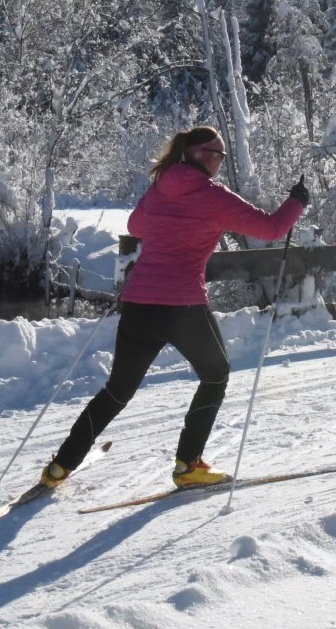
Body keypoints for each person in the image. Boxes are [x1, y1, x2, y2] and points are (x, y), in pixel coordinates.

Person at [40, 126, 308, 491]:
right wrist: (297, 202)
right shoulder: (214, 196)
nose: (220, 163)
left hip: (139, 303)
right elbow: (272, 228)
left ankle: (60, 466)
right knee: (215, 375)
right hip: (182, 305)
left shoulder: (160, 188)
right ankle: (188, 465)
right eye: (220, 156)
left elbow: (135, 225)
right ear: (207, 157)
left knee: (118, 390)